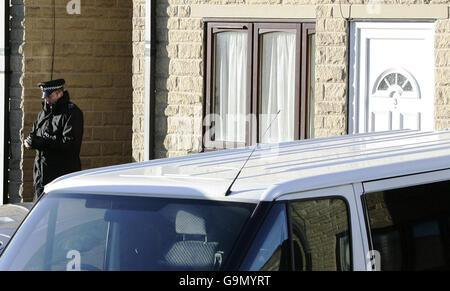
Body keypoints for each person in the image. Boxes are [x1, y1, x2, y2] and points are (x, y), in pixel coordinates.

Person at [24, 79, 84, 201]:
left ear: (59, 93)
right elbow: (34, 134)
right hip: (41, 176)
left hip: (61, 176)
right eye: (45, 97)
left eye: (49, 96)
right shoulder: (44, 113)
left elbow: (70, 145)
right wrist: (30, 142)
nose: (46, 100)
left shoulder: (72, 113)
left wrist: (44, 143)